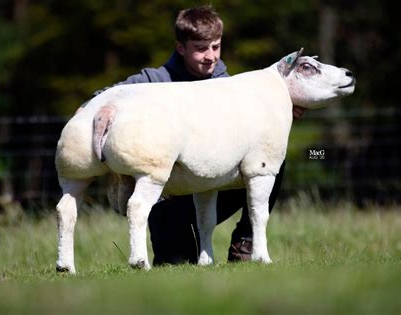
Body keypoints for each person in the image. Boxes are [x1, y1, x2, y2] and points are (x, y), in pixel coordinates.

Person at [91, 5, 305, 265]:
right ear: (181, 48)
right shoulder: (153, 81)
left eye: (216, 47)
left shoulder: (230, 85)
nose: (211, 56)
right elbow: (108, 96)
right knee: (176, 263)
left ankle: (245, 244)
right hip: (169, 199)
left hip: (215, 181)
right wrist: (94, 109)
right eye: (201, 48)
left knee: (270, 160)